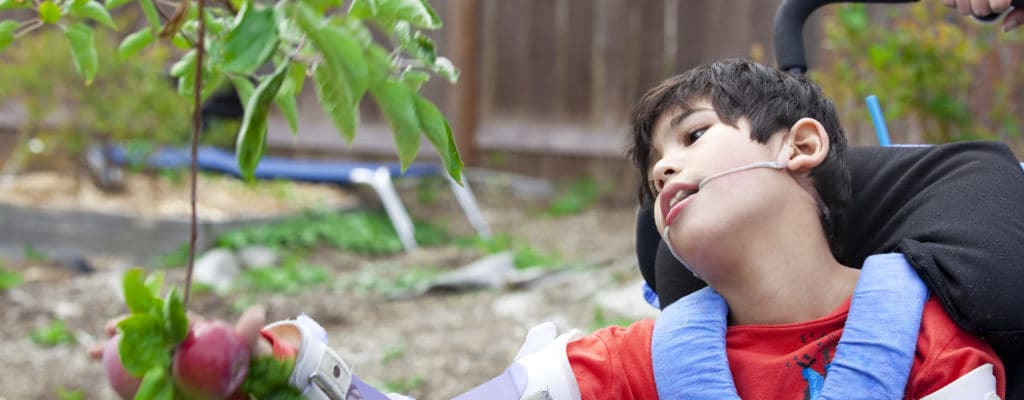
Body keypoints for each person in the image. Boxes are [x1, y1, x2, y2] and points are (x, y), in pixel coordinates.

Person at [104, 59, 996, 400]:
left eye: (692, 137)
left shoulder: (928, 337)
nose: (662, 169)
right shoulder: (643, 362)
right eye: (652, 163)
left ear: (800, 145)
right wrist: (294, 367)